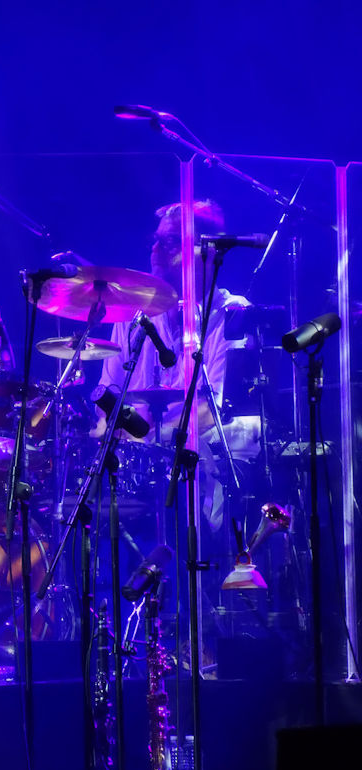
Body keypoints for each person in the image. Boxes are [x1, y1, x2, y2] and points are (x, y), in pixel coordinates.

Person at [90, 199, 261, 531]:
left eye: (168, 242)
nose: (155, 250)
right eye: (154, 240)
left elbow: (214, 409)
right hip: (142, 469)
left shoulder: (233, 314)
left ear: (204, 250)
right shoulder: (132, 315)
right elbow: (109, 395)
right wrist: (109, 430)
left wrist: (152, 440)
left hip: (210, 472)